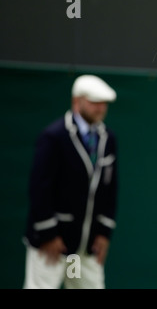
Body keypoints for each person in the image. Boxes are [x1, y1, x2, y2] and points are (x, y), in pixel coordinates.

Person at [23, 74, 119, 289]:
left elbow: (109, 188)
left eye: (104, 103)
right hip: (52, 245)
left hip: (84, 248)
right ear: (77, 101)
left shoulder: (107, 138)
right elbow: (39, 188)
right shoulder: (53, 137)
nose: (100, 108)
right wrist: (49, 234)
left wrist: (103, 233)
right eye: (95, 102)